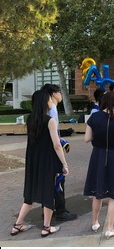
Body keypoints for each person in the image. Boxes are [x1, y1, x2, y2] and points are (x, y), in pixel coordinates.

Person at [11, 89, 68, 237]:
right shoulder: (50, 121)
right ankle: (47, 227)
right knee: (48, 191)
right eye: (49, 99)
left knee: (29, 195)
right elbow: (57, 145)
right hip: (47, 160)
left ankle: (17, 225)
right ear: (45, 102)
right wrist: (64, 164)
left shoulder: (30, 119)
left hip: (33, 160)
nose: (51, 102)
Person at [83, 91, 114, 239]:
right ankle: (110, 228)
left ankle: (95, 222)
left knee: (97, 193)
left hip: (98, 156)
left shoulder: (94, 117)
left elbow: (86, 138)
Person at [41, 84, 77, 221]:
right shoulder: (52, 109)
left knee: (49, 181)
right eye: (60, 92)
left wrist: (61, 139)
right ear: (53, 94)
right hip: (53, 152)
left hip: (44, 151)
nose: (61, 95)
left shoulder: (44, 109)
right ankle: (60, 211)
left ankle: (47, 210)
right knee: (59, 180)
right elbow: (53, 135)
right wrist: (64, 161)